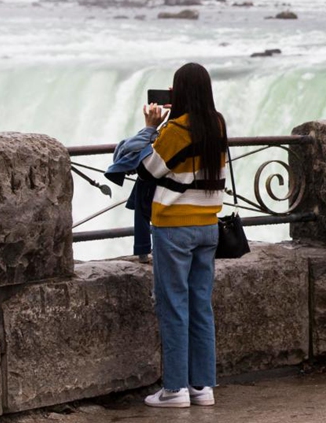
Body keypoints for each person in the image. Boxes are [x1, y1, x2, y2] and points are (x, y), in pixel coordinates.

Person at [138, 63, 228, 407]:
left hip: (174, 226)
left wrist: (150, 129)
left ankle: (174, 389)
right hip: (208, 225)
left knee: (173, 305)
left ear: (179, 93)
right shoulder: (216, 123)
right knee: (200, 305)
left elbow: (149, 170)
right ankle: (202, 387)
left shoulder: (176, 128)